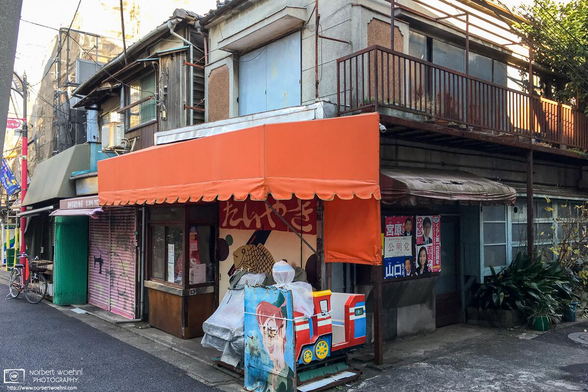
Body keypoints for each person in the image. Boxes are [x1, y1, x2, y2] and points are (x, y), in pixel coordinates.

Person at [256, 300, 295, 392]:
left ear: (283, 328)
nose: (267, 340)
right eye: (263, 331)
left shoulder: (288, 377)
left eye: (271, 330)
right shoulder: (270, 374)